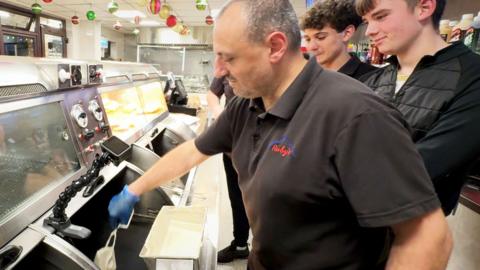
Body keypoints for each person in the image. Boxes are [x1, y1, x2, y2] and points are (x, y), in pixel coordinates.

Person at [108, 1, 452, 269]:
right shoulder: (246, 105)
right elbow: (194, 151)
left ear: (275, 47)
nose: (218, 71)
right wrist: (134, 189)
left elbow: (427, 237)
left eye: (228, 58)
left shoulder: (356, 115)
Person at [357, 0, 480, 215]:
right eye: (366, 21)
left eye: (380, 16)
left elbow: (423, 167)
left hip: (416, 230)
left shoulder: (472, 77)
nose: (370, 31)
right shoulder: (373, 80)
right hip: (353, 229)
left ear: (424, 7)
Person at [207, 76, 250, 263]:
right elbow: (212, 93)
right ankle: (240, 244)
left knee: (261, 197)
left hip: (263, 143)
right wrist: (220, 114)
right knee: (236, 195)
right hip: (232, 141)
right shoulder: (223, 67)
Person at [300, 0, 377, 79]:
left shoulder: (374, 79)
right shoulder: (306, 77)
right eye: (308, 39)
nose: (312, 47)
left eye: (321, 37)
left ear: (347, 33)